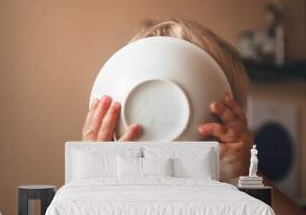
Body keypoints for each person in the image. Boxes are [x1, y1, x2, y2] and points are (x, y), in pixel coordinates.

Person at [81, 19, 253, 181]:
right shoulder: (113, 173)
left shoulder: (230, 175)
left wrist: (246, 174)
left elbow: (277, 214)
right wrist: (95, 173)